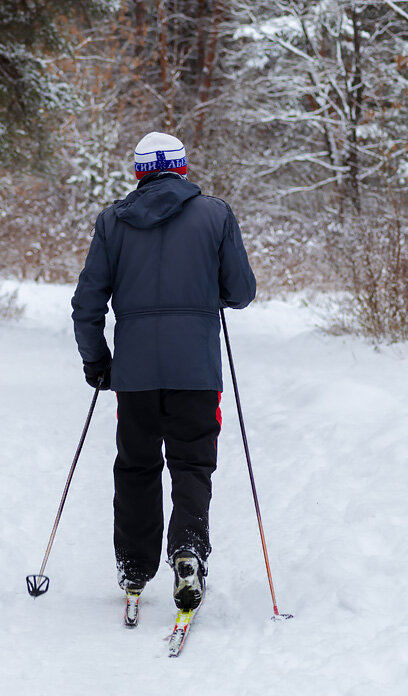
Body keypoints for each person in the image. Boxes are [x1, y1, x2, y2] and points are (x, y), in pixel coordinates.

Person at [71, 131, 257, 613]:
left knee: (136, 466)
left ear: (138, 173)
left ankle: (134, 565)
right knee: (192, 463)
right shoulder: (215, 214)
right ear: (182, 168)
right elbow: (240, 291)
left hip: (134, 373)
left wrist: (96, 360)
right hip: (196, 369)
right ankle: (189, 550)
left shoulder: (113, 221)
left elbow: (87, 302)